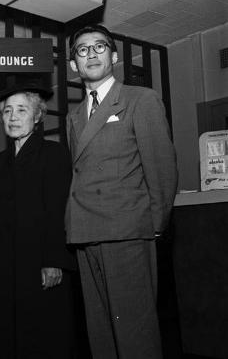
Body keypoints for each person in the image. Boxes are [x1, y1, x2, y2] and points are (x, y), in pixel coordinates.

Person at [65, 24, 178, 358]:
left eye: (99, 47)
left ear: (113, 57)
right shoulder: (74, 116)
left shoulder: (139, 99)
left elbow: (161, 167)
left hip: (127, 230)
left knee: (135, 333)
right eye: (82, 50)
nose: (91, 54)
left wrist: (153, 225)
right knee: (101, 334)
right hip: (86, 232)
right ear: (74, 66)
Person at [0, 81, 77, 359]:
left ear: (37, 116)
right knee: (6, 337)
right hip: (3, 265)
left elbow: (58, 211)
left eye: (21, 110)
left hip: (41, 263)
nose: (13, 117)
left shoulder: (54, 154)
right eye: (7, 111)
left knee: (44, 337)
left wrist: (53, 260)